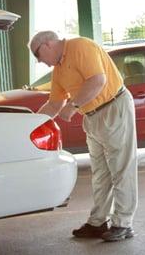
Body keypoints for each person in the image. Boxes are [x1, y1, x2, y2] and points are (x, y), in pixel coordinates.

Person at [29, 31, 138, 242]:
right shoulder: (59, 70)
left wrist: (74, 106)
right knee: (100, 173)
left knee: (121, 169)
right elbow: (53, 104)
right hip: (92, 117)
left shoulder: (80, 46)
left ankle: (123, 224)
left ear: (48, 44)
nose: (40, 61)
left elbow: (97, 80)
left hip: (113, 107)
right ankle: (98, 222)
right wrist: (30, 125)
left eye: (38, 54)